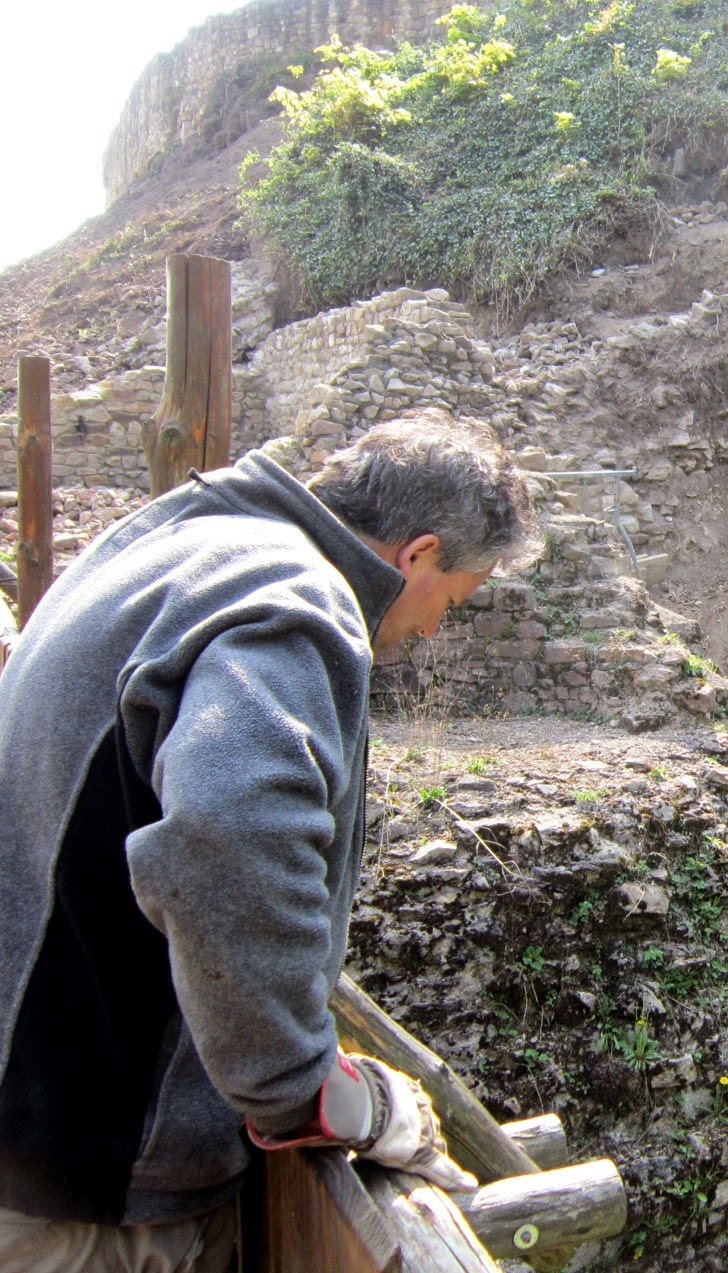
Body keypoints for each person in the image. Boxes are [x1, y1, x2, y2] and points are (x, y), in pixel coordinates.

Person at [0, 409, 538, 1271]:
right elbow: (225, 835)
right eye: (454, 597)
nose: (435, 628)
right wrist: (303, 1086)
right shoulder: (295, 599)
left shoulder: (180, 543)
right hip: (88, 1179)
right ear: (420, 553)